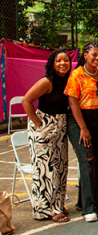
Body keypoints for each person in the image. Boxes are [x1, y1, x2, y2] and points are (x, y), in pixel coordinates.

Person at [22, 50, 71, 222]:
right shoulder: (46, 82)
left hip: (60, 128)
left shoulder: (67, 82)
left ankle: (57, 204)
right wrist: (37, 123)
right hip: (45, 128)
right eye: (59, 61)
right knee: (45, 170)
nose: (63, 63)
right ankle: (45, 209)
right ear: (52, 63)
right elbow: (26, 101)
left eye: (66, 60)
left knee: (60, 168)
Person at [64, 42, 98, 222]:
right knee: (87, 160)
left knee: (95, 160)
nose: (97, 58)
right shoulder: (76, 75)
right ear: (85, 55)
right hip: (79, 120)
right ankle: (89, 208)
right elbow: (73, 102)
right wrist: (83, 128)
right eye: (94, 55)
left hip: (97, 119)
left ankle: (87, 202)